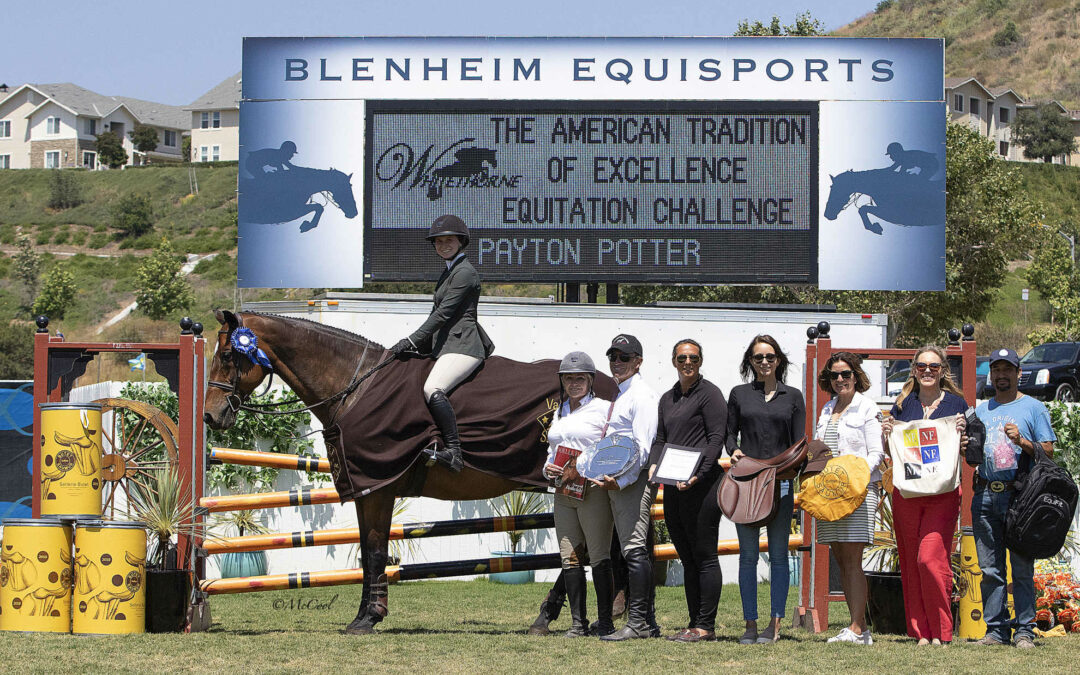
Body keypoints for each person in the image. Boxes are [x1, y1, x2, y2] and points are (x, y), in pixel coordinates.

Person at [391, 215, 495, 472]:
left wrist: (411, 339)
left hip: (464, 345)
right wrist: (417, 347)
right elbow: (435, 314)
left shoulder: (465, 273)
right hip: (445, 345)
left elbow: (443, 314)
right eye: (438, 241)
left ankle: (454, 452)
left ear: (461, 241)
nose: (443, 245)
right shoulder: (449, 271)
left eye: (448, 240)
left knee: (433, 388)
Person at [880, 346, 968, 646]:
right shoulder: (903, 405)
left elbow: (968, 447)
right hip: (908, 493)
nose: (927, 371)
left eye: (933, 366)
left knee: (930, 558)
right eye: (921, 366)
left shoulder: (956, 405)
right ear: (913, 370)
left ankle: (942, 631)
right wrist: (887, 433)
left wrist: (963, 430)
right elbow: (893, 453)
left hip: (942, 493)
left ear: (942, 370)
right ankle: (921, 633)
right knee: (910, 561)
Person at [971, 348, 1056, 649]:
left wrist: (1021, 441)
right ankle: (995, 631)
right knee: (990, 569)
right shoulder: (981, 411)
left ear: (1019, 373)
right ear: (991, 374)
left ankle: (1024, 630)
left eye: (1008, 370)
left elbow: (1049, 452)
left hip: (1021, 497)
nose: (1002, 375)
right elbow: (972, 456)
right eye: (997, 370)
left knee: (1021, 566)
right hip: (984, 495)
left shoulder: (1034, 408)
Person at [726, 335, 806, 644]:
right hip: (746, 484)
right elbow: (728, 434)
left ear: (779, 360)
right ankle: (749, 624)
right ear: (750, 361)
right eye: (758, 357)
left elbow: (800, 443)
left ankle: (774, 625)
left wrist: (791, 469)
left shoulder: (793, 396)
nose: (764, 362)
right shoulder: (739, 394)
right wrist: (733, 450)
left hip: (781, 484)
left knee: (778, 556)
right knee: (747, 556)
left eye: (770, 357)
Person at [645, 339, 726, 643]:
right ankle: (694, 624)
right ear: (674, 361)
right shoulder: (668, 398)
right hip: (674, 487)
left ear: (700, 360)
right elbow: (660, 439)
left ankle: (706, 626)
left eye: (693, 357)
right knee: (687, 557)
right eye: (682, 358)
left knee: (704, 556)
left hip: (702, 486)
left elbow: (716, 439)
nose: (687, 363)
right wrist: (655, 465)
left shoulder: (711, 394)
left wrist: (697, 474)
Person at [541, 351, 616, 637]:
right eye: (569, 378)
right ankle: (577, 623)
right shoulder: (560, 410)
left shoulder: (603, 409)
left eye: (580, 378)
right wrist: (548, 466)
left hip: (591, 488)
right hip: (563, 490)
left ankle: (606, 621)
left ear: (590, 380)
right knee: (569, 555)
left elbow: (612, 446)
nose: (574, 383)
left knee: (598, 554)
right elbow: (554, 448)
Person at [814, 351, 884, 645]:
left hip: (857, 493)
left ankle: (857, 627)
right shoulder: (827, 409)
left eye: (846, 374)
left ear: (856, 376)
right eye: (834, 375)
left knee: (853, 559)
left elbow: (876, 454)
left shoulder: (867, 408)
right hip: (829, 494)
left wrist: (852, 478)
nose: (840, 379)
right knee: (841, 559)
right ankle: (859, 626)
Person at [597, 334, 662, 641]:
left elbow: (643, 448)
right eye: (613, 357)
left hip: (631, 483)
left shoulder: (642, 396)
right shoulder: (621, 393)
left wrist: (621, 480)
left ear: (639, 362)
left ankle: (639, 623)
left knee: (635, 551)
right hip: (616, 482)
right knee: (630, 551)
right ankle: (645, 622)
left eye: (624, 358)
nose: (617, 363)